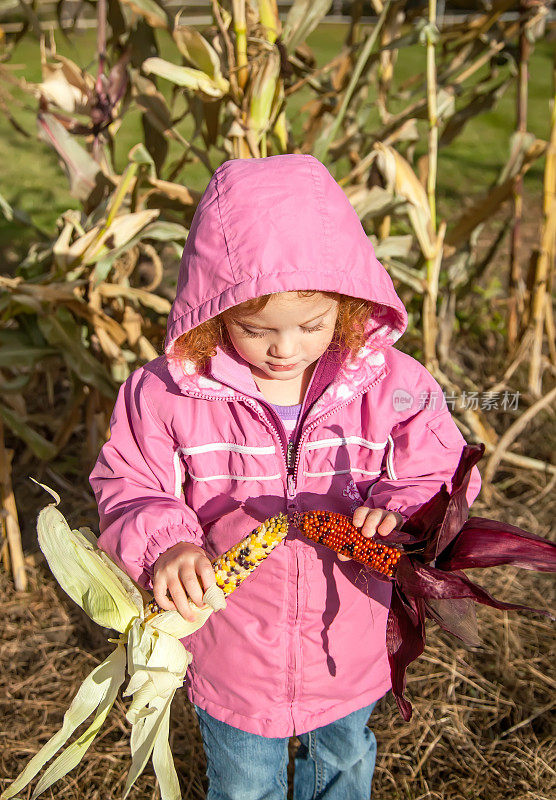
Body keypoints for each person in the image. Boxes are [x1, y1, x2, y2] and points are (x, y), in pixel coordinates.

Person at [89, 154, 481, 799]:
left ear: (348, 306)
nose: (286, 348)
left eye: (312, 325)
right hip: (231, 644)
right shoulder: (167, 396)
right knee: (244, 783)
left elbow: (438, 467)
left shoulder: (393, 385)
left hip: (347, 636)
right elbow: (132, 485)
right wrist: (167, 547)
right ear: (213, 311)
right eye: (256, 328)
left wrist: (401, 508)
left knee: (347, 765)